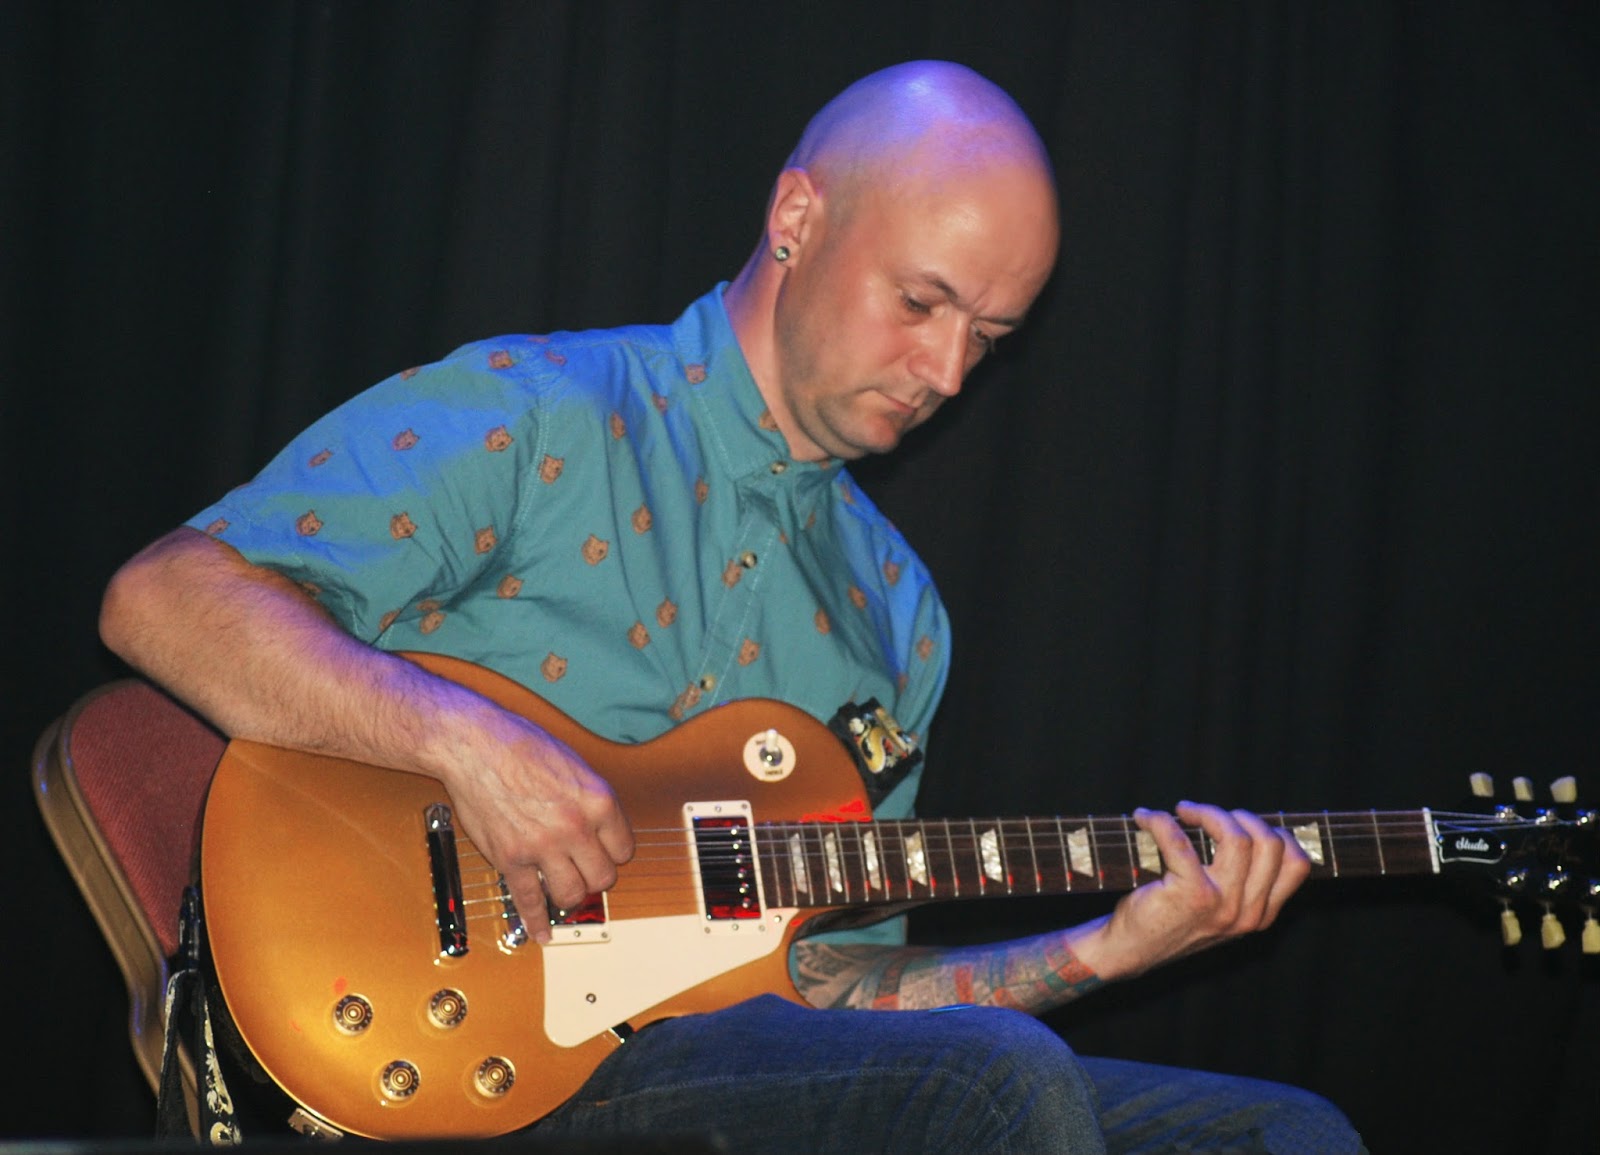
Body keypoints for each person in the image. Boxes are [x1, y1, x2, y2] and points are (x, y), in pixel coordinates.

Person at [100, 60, 1365, 1154]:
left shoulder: (898, 614)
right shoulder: (540, 412)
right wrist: (463, 742)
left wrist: (1107, 950)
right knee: (995, 1081)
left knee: (1280, 1132)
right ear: (797, 217)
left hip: (716, 1066)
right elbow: (161, 599)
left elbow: (833, 986)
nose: (945, 371)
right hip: (447, 1047)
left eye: (988, 336)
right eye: (920, 302)